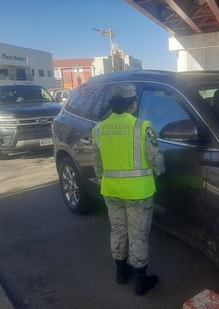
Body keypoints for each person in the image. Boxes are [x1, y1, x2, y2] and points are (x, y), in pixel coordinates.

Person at [91, 83, 165, 295]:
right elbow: (156, 160)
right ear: (133, 104)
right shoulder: (142, 127)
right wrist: (160, 171)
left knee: (118, 230)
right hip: (138, 193)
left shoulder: (99, 128)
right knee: (138, 235)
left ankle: (121, 273)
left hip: (111, 190)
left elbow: (97, 163)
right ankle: (140, 281)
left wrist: (102, 179)